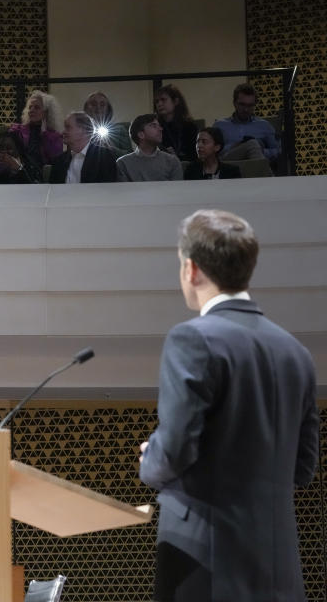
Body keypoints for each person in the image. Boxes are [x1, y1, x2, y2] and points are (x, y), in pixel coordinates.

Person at [139, 209, 318, 602]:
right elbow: (303, 469)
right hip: (280, 569)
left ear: (192, 269)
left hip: (205, 562)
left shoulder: (192, 340)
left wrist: (150, 454)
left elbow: (174, 452)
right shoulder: (297, 354)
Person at [213, 83, 280, 163]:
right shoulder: (220, 125)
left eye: (250, 105)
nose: (246, 110)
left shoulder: (264, 125)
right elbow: (211, 150)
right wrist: (233, 147)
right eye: (242, 104)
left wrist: (260, 150)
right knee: (252, 144)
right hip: (229, 166)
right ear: (234, 103)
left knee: (253, 146)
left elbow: (278, 150)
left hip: (254, 162)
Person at [49, 111, 117, 184]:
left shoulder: (104, 156)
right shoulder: (59, 161)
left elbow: (109, 189)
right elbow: (52, 191)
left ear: (84, 130)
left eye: (68, 127)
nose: (63, 132)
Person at [116, 114, 183, 182]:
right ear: (141, 134)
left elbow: (177, 190)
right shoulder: (123, 163)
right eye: (154, 126)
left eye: (159, 126)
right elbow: (124, 191)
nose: (161, 129)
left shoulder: (172, 161)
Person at [9, 90, 63, 170]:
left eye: (36, 107)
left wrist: (44, 134)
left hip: (40, 176)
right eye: (30, 107)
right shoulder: (17, 130)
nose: (31, 110)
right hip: (17, 172)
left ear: (46, 112)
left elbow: (55, 161)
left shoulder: (55, 137)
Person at [154, 84, 198, 162]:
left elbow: (195, 155)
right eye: (157, 101)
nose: (159, 104)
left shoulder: (190, 126)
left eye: (163, 100)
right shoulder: (155, 127)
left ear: (176, 101)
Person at [83, 91, 131, 156]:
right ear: (86, 108)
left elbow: (130, 156)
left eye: (102, 104)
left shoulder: (119, 130)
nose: (98, 107)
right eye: (93, 104)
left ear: (108, 109)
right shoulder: (79, 131)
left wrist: (111, 149)